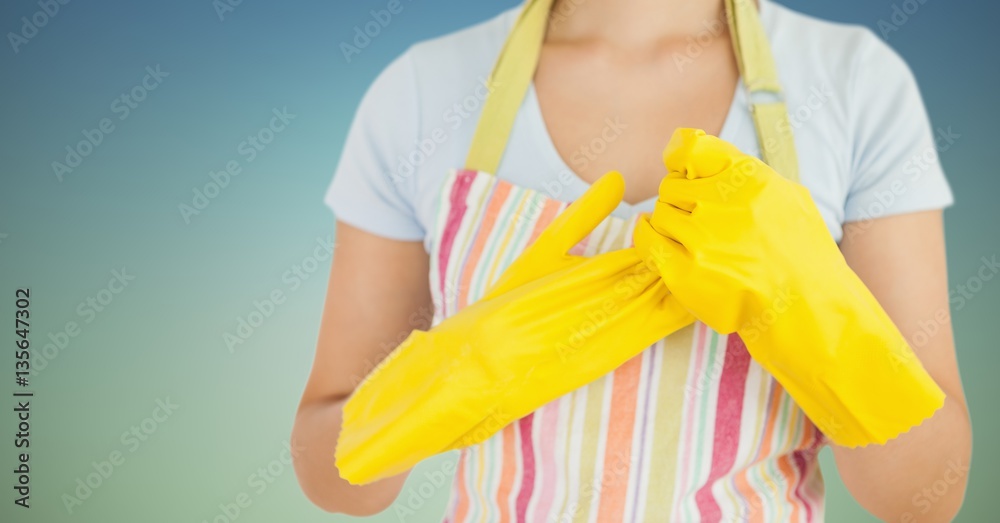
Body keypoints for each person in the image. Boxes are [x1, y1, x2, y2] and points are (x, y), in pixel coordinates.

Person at [292, 0, 971, 521]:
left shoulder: (854, 83)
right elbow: (331, 475)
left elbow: (924, 495)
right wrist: (435, 381)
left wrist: (815, 316)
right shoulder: (423, 89)